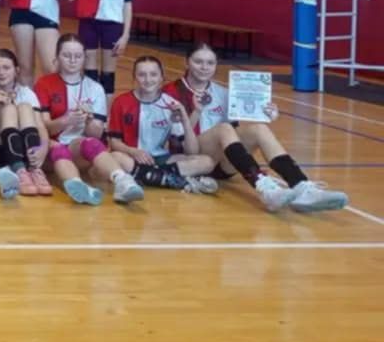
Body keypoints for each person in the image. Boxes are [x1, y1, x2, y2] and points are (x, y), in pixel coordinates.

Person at [165, 43, 347, 212]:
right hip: (192, 159)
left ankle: (302, 186)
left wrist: (265, 112)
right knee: (224, 128)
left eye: (210, 63)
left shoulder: (223, 93)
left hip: (222, 165)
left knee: (259, 128)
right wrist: (197, 112)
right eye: (198, 62)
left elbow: (234, 135)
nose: (204, 67)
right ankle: (264, 188)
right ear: (187, 62)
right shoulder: (170, 92)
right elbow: (175, 142)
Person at [35, 33, 144, 205]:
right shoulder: (44, 84)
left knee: (91, 143)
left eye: (78, 56)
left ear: (85, 58)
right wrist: (65, 120)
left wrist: (89, 120)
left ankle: (123, 181)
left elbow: (96, 134)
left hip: (77, 149)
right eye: (67, 55)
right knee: (58, 148)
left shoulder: (95, 88)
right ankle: (77, 185)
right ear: (57, 58)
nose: (72, 61)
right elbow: (43, 128)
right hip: (48, 149)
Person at [106, 56, 220, 194]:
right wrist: (133, 151)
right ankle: (176, 180)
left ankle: (149, 176)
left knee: (207, 162)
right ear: (134, 77)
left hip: (160, 159)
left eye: (153, 74)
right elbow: (114, 143)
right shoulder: (121, 102)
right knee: (115, 157)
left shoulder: (170, 104)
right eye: (142, 75)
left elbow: (191, 152)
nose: (148, 80)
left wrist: (185, 118)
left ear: (161, 77)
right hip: (130, 157)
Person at [0, 48, 50, 197]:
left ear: (16, 70)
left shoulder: (26, 92)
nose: (1, 72)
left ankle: (34, 170)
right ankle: (18, 170)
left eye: (6, 68)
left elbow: (40, 126)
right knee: (9, 108)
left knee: (25, 107)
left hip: (19, 150)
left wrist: (43, 148)